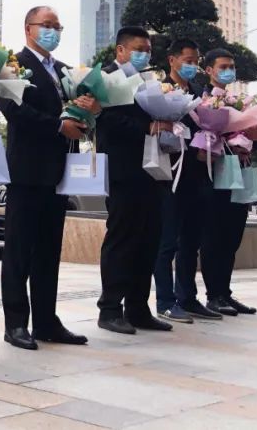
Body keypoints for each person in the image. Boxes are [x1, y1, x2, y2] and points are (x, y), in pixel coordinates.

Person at [0, 6, 93, 350]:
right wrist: (58, 125)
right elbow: (14, 111)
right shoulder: (12, 64)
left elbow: (74, 110)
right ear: (28, 28)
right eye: (47, 25)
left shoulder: (65, 71)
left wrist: (86, 109)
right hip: (26, 170)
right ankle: (16, 324)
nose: (53, 31)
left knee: (49, 250)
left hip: (59, 171)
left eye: (58, 26)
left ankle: (46, 321)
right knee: (19, 250)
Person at [95, 27, 174, 334]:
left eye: (148, 50)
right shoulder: (106, 78)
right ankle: (110, 308)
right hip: (122, 171)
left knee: (149, 238)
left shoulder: (146, 81)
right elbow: (104, 119)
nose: (144, 55)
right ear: (121, 51)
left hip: (151, 171)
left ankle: (138, 308)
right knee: (122, 238)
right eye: (139, 49)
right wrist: (147, 127)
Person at [153, 39, 221, 322]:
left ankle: (188, 297)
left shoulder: (200, 93)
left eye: (196, 61)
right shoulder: (160, 91)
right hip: (171, 175)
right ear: (172, 60)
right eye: (188, 60)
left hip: (197, 175)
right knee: (167, 240)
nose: (192, 66)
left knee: (191, 241)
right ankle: (165, 301)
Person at [201, 49, 257, 317]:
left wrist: (253, 136)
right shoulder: (201, 98)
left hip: (240, 172)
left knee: (233, 236)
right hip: (215, 176)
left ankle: (225, 292)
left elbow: (256, 135)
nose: (229, 71)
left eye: (232, 66)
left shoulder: (238, 101)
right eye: (223, 66)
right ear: (209, 70)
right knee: (215, 235)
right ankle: (213, 295)